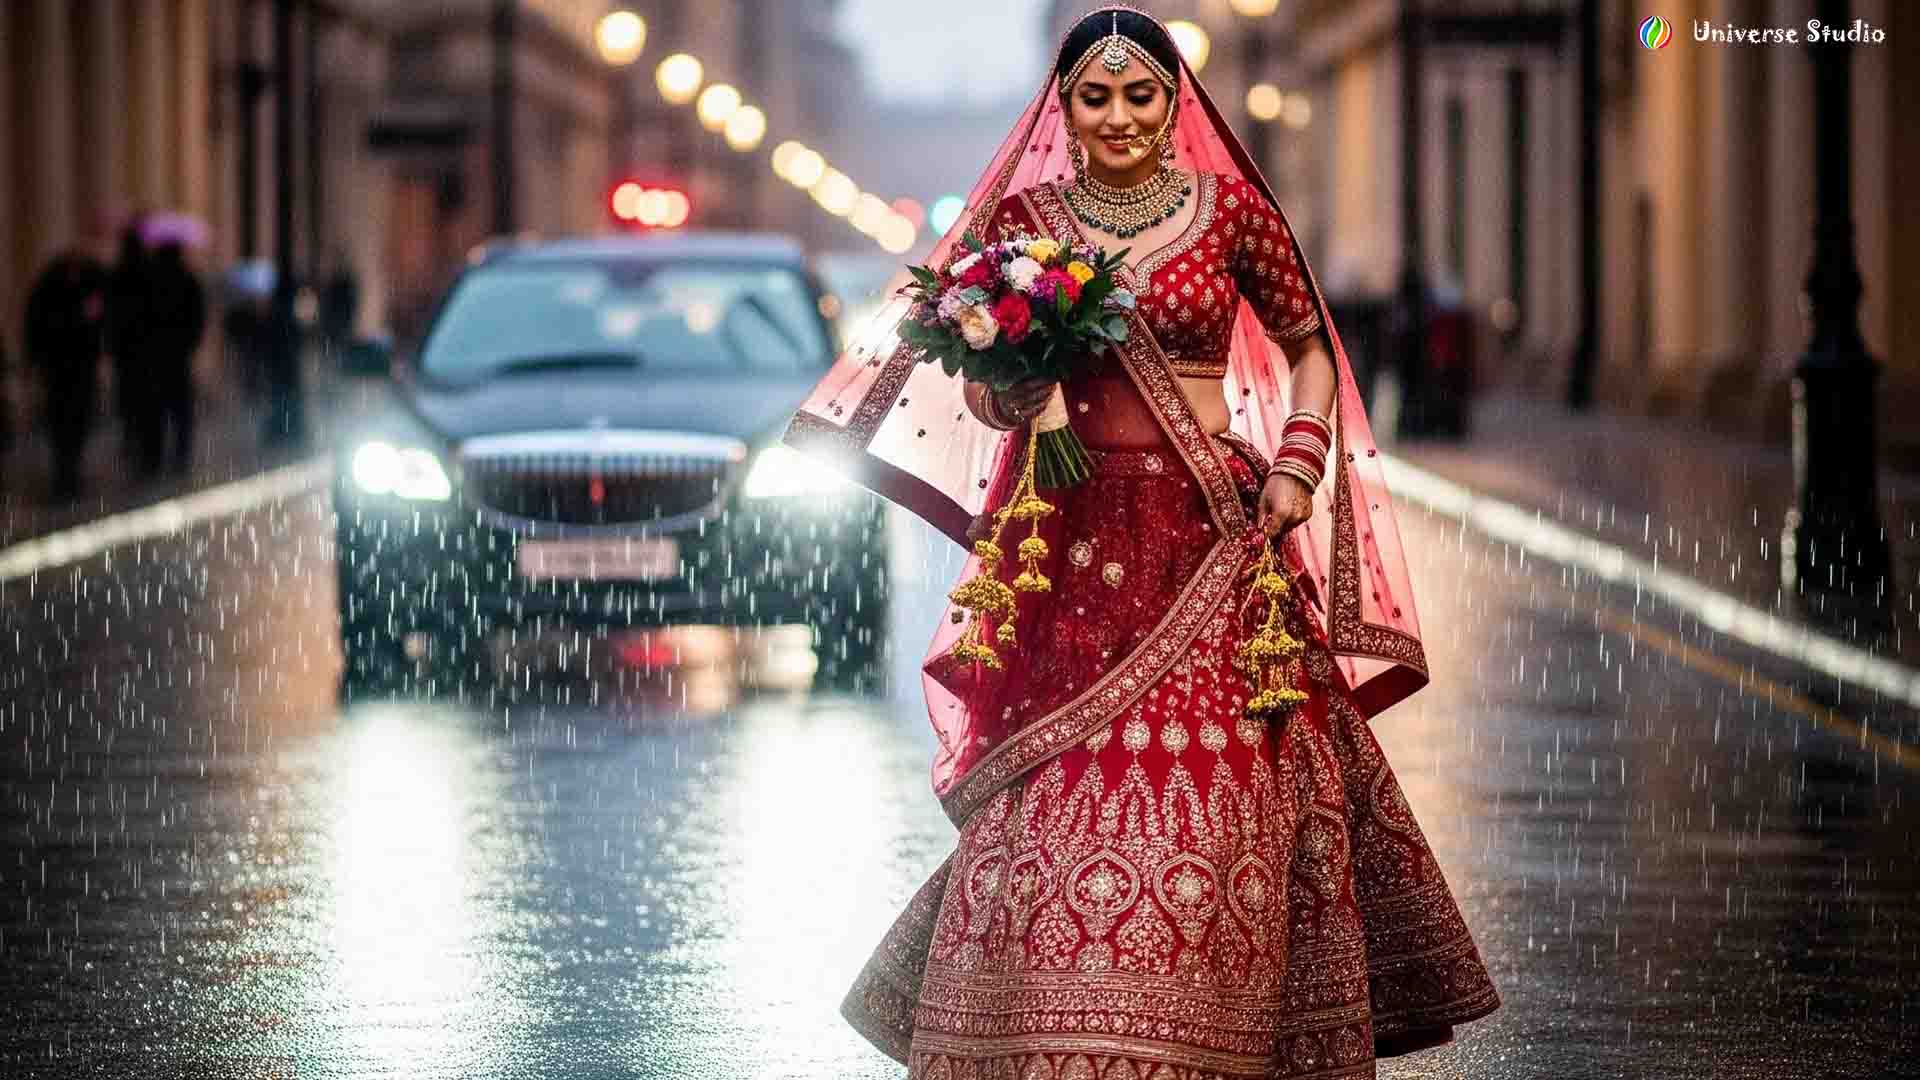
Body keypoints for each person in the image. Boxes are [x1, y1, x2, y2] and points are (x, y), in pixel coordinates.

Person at [782, 8, 1499, 1076]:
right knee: (1058, 779)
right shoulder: (1025, 221)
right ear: (1063, 108)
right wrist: (1012, 382)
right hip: (1066, 547)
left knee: (1228, 791)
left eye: (1139, 95)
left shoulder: (1231, 215)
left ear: (1173, 102)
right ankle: (1051, 1025)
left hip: (1215, 533)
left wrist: (1300, 463)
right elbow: (985, 395)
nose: (1118, 116)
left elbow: (1309, 348)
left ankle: (1220, 1022)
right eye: (1094, 97)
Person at [24, 243, 112, 500]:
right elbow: (36, 325)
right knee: (61, 419)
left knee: (78, 417)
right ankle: (64, 469)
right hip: (59, 366)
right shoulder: (50, 289)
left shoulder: (89, 284)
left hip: (80, 365)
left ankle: (70, 467)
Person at [136, 241, 207, 474]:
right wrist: (189, 342)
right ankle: (179, 457)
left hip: (155, 356)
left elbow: (140, 319)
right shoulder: (187, 281)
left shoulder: (148, 282)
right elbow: (197, 318)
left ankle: (152, 458)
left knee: (154, 411)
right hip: (177, 356)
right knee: (179, 411)